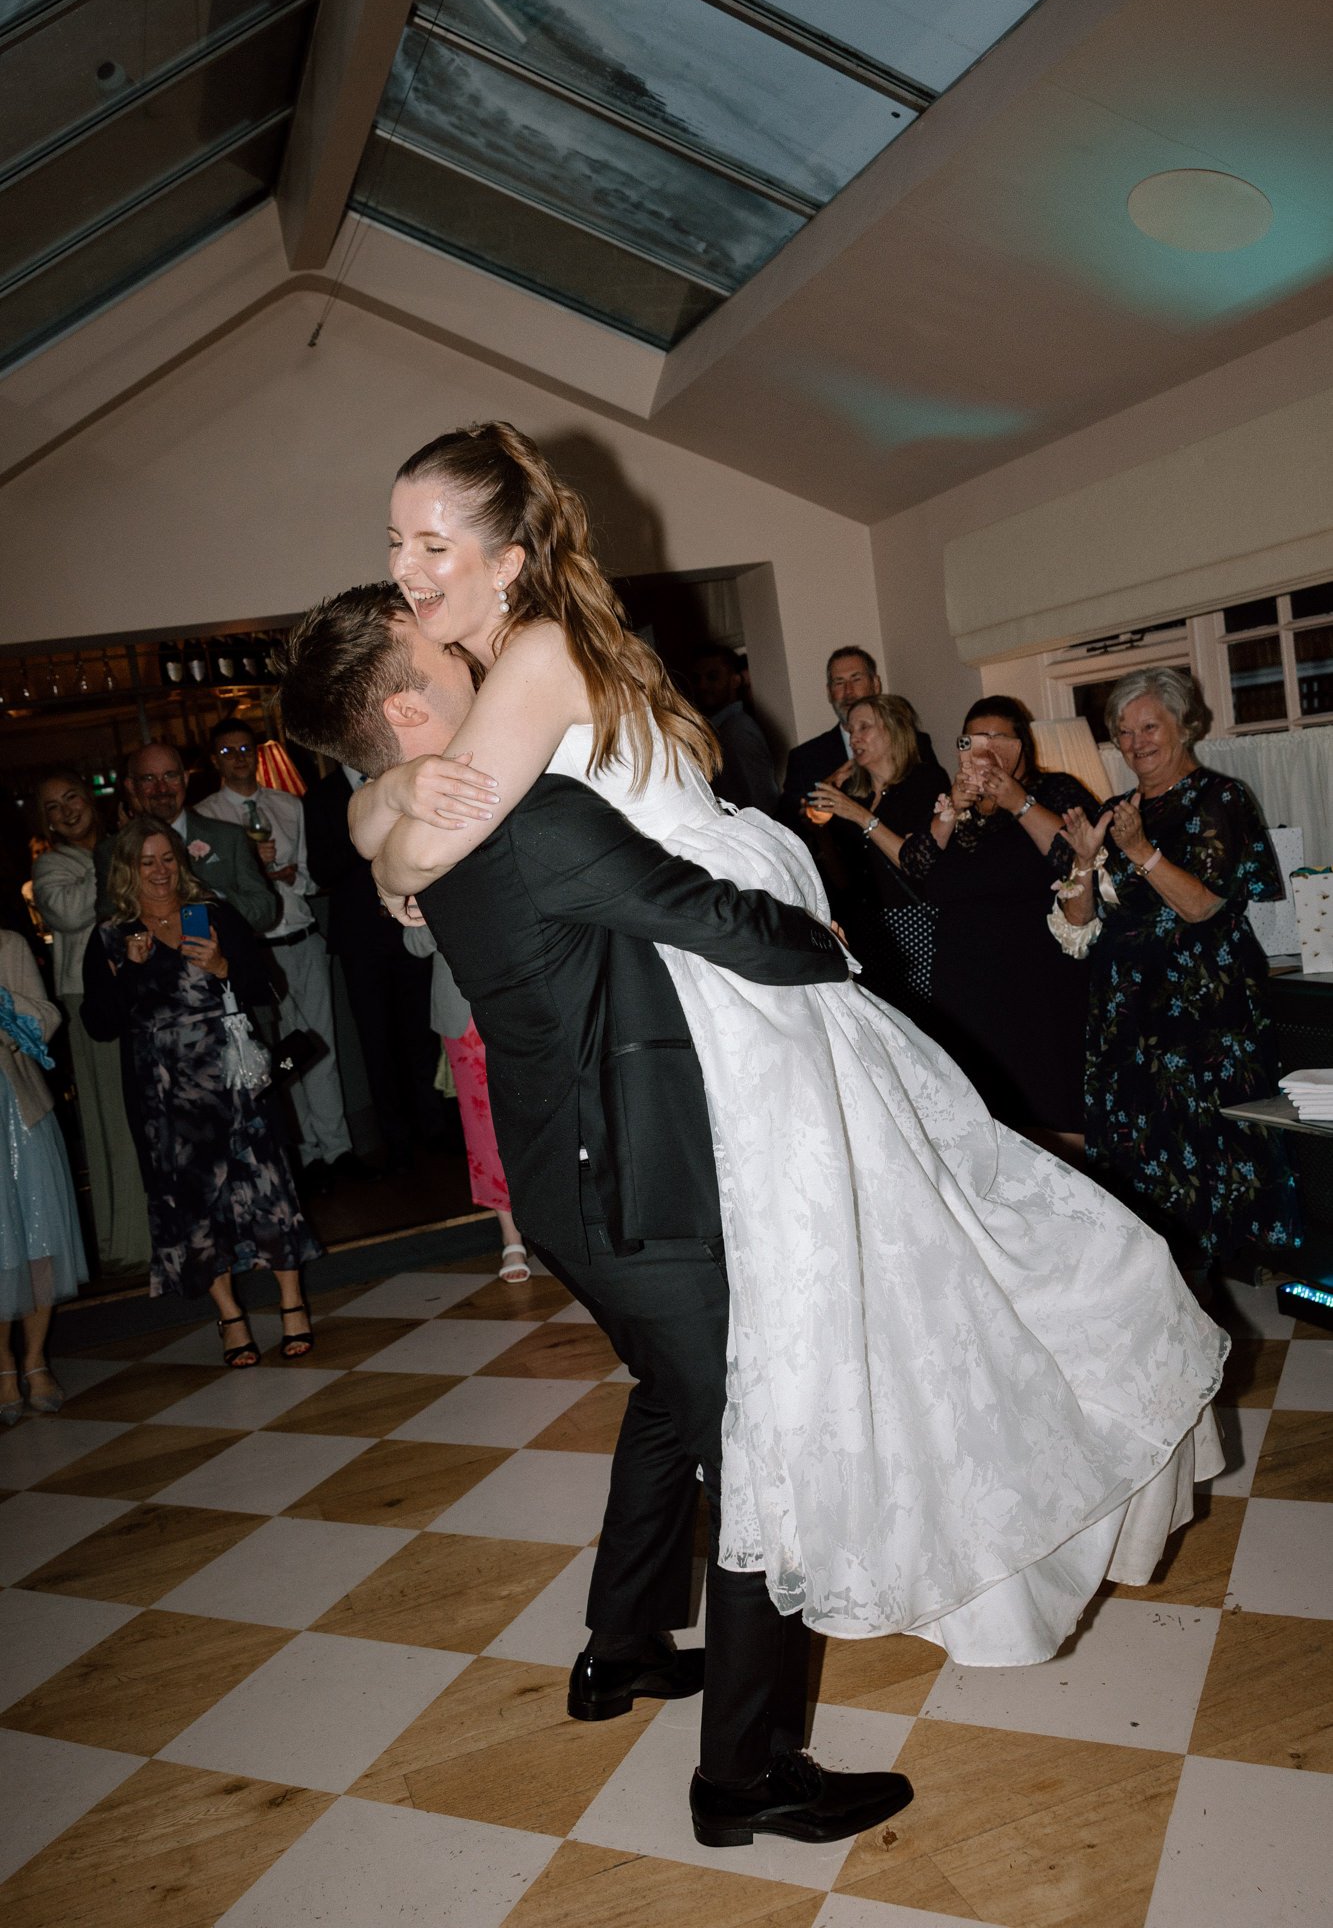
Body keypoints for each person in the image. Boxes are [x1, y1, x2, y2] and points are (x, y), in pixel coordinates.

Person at [313, 423, 1224, 1666]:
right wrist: (381, 800)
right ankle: (646, 1655)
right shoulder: (529, 650)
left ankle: (742, 1703)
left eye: (432, 544)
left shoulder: (530, 656)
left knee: (820, 1315)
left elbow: (422, 852)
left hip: (734, 980)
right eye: (396, 542)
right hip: (722, 979)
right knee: (785, 1326)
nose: (406, 568)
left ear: (508, 557)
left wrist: (388, 828)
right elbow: (410, 816)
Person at [280, 586, 912, 1849]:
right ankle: (745, 1775)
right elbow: (712, 918)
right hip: (636, 1185)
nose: (471, 642)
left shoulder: (446, 823)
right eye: (437, 643)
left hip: (570, 1187)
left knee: (675, 1402)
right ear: (406, 706)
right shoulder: (524, 816)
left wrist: (379, 801)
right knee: (757, 1452)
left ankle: (621, 1646)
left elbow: (387, 830)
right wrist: (835, 947)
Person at [1057, 667, 1301, 1276]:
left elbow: (1202, 906)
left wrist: (1140, 852)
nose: (1136, 742)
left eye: (1150, 727)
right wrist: (1084, 860)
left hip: (1201, 1009)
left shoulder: (1222, 799)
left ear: (1184, 725)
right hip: (1126, 1008)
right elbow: (1078, 922)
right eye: (1124, 731)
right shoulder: (1114, 812)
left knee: (1207, 1138)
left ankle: (1214, 1272)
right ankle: (1154, 1270)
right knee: (1138, 1141)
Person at [80, 818, 320, 1364]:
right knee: (194, 1201)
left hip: (232, 1079)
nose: (160, 871)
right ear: (127, 870)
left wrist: (222, 965)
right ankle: (230, 1317)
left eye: (167, 858)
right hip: (164, 1094)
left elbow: (266, 986)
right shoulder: (112, 936)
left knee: (267, 1184)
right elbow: (99, 1024)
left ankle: (292, 1303)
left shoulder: (212, 914)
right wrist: (129, 971)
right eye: (147, 862)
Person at [880, 696, 1098, 1152]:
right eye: (974, 739)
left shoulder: (1056, 790)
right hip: (963, 988)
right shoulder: (957, 808)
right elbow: (916, 868)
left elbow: (1077, 857)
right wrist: (949, 812)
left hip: (1036, 984)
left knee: (1052, 1125)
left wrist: (1018, 802)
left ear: (1022, 744)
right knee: (979, 1131)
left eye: (998, 737)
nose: (986, 748)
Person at [194, 716, 358, 1192]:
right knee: (278, 1055)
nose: (239, 758)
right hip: (255, 948)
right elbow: (206, 891)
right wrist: (253, 874)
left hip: (301, 934)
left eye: (245, 749)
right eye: (228, 752)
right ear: (215, 760)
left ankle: (338, 1150)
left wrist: (292, 877)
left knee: (320, 1044)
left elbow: (310, 875)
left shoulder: (288, 804)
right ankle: (303, 1154)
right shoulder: (205, 817)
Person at [302, 757, 453, 1169]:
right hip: (360, 940)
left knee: (420, 1032)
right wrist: (366, 839)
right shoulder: (321, 797)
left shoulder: (396, 778)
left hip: (410, 928)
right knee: (375, 1040)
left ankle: (434, 1126)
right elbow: (320, 869)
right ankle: (395, 1139)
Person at [30, 771, 152, 1274]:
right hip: (90, 997)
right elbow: (68, 914)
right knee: (114, 1115)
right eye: (53, 807)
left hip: (142, 984)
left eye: (72, 798)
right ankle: (132, 1237)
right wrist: (115, 855)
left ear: (90, 799)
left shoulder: (121, 845)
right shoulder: (50, 866)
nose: (66, 811)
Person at [801, 694, 948, 1014]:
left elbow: (914, 862)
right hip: (867, 928)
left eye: (864, 728)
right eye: (851, 730)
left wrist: (857, 814)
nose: (854, 738)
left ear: (894, 731)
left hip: (914, 921)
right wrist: (821, 828)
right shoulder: (858, 796)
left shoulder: (925, 780)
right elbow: (843, 878)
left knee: (924, 1019)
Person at [403, 925, 530, 1281]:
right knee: (484, 1126)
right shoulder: (421, 883)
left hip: (525, 994)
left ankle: (564, 1218)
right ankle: (511, 1235)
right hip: (463, 1011)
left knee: (544, 1113)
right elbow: (414, 943)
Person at [1, 928, 88, 1425]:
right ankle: (3, 1365)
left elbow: (47, 1017)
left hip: (18, 1106)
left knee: (38, 1235)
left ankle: (34, 1359)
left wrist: (4, 1005)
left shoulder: (7, 946)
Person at [95, 743, 279, 938]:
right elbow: (109, 925)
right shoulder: (112, 850)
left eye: (170, 776)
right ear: (131, 786)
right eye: (149, 779)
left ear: (185, 779)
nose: (161, 788)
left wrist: (215, 899)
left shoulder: (228, 837)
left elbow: (266, 912)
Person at [777, 644, 881, 834]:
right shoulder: (805, 758)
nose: (848, 691)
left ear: (875, 684)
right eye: (839, 683)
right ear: (829, 692)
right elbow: (786, 828)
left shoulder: (912, 743)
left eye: (856, 679)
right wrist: (822, 792)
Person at [690, 644, 780, 817]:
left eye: (712, 677)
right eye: (696, 679)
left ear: (735, 681)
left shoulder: (738, 730)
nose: (702, 686)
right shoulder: (718, 729)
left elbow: (762, 800)